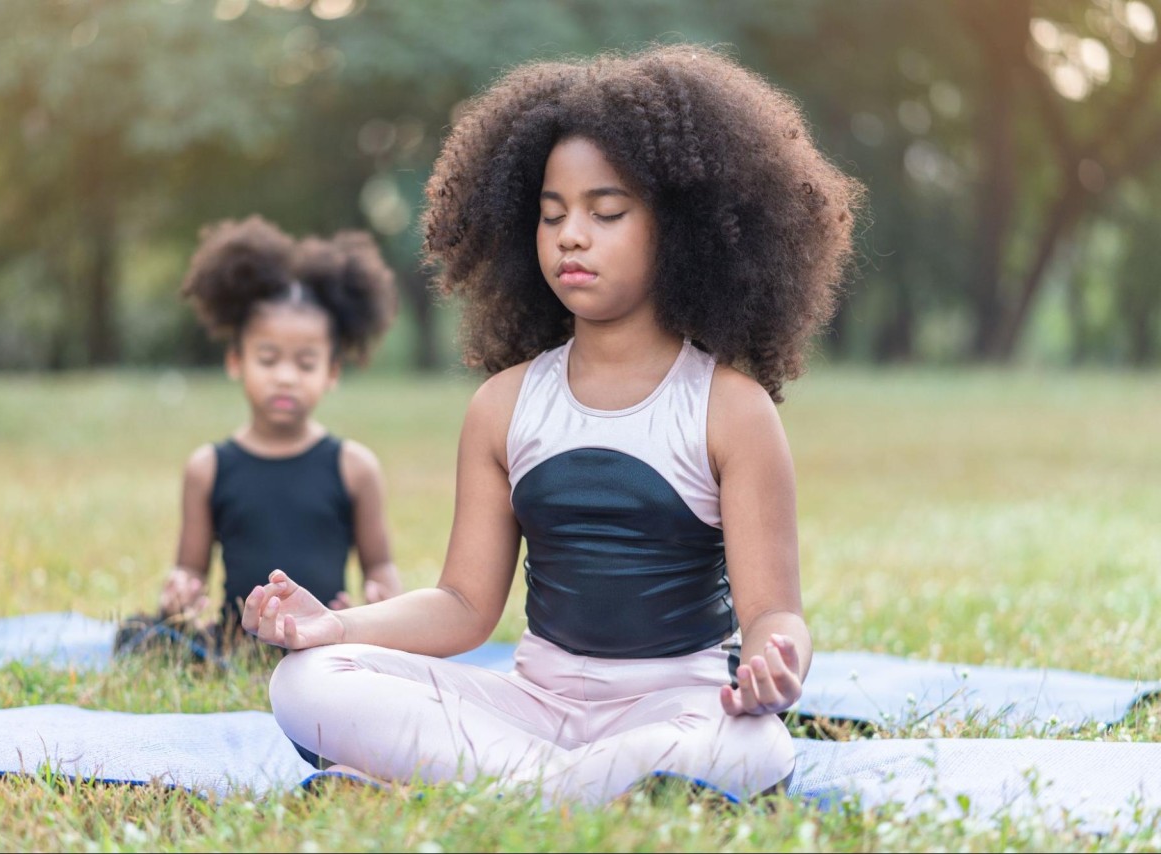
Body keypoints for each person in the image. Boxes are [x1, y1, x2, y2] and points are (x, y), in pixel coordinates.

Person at [242, 45, 863, 804]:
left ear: (684, 229)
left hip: (677, 707)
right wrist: (333, 628)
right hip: (529, 709)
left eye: (606, 213)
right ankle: (571, 789)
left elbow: (773, 613)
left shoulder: (732, 408)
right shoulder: (503, 405)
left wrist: (776, 664)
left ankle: (505, 787)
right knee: (307, 683)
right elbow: (466, 607)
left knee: (752, 746)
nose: (571, 235)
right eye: (550, 214)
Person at [153, 215, 403, 648]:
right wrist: (181, 590)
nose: (286, 377)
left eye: (305, 364)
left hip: (327, 643)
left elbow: (379, 567)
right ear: (236, 362)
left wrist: (378, 599)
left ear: (331, 372)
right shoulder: (208, 469)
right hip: (236, 646)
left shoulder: (355, 468)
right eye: (268, 359)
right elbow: (191, 570)